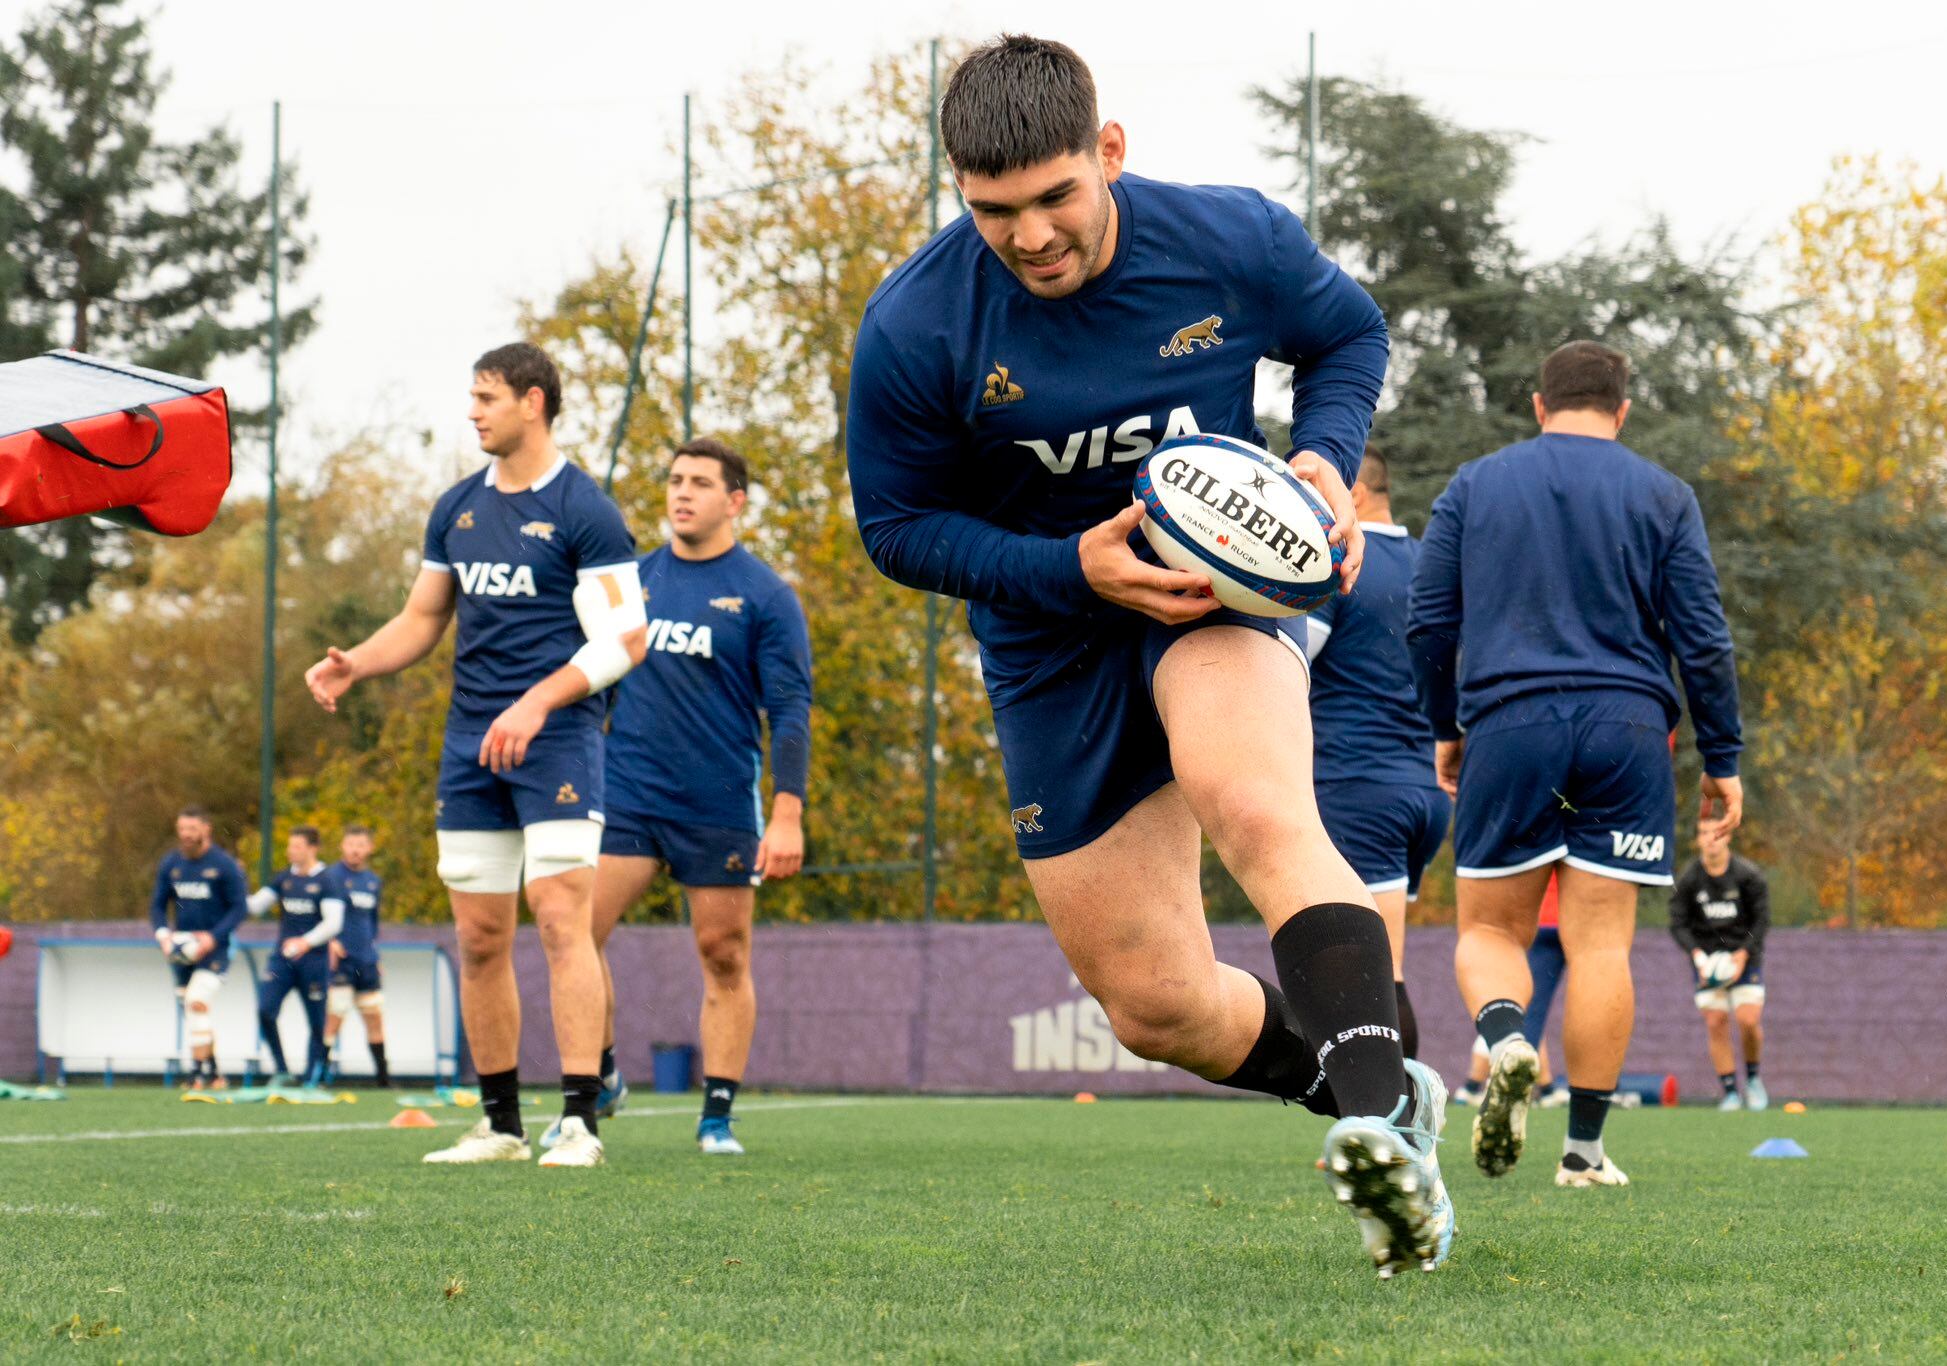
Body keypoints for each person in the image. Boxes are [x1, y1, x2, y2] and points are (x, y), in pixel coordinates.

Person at [846, 35, 1451, 1276]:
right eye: (993, 209)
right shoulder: (915, 325)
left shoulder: (1228, 239)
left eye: (1055, 196)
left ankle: (1387, 1129)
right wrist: (1073, 567)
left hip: (1217, 600)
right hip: (1045, 643)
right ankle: (1369, 1089)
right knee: (1156, 1007)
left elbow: (1348, 336)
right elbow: (895, 528)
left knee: (1253, 799)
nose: (1030, 236)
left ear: (1107, 154)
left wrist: (1325, 460)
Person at [1409, 340, 1742, 1190]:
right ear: (1622, 410)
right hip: (1629, 729)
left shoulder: (1475, 485)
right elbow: (1702, 641)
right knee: (1602, 946)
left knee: (1488, 930)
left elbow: (1428, 624)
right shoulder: (1664, 495)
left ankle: (1510, 1040)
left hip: (1509, 727)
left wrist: (1445, 725)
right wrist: (1722, 756)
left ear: (1537, 404)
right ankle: (1586, 1154)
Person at [305, 342, 646, 1168]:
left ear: (533, 402)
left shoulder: (584, 510)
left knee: (562, 921)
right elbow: (423, 620)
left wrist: (538, 700)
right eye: (472, 395)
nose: (472, 411)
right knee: (481, 937)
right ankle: (499, 1124)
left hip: (558, 738)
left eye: (487, 396)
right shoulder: (456, 507)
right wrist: (357, 661)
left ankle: (578, 1124)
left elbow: (627, 637)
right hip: (470, 747)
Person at [554, 438, 812, 1157]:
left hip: (720, 800)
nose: (682, 492)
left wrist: (786, 812)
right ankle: (597, 1079)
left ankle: (717, 1116)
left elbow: (789, 710)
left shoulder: (764, 594)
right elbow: (585, 675)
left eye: (700, 482)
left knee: (723, 954)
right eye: (674, 480)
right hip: (625, 790)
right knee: (576, 931)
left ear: (735, 501)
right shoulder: (631, 580)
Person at [1304, 443, 1448, 1061]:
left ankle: (1396, 1132)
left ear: (1354, 492)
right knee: (1377, 970)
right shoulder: (1429, 567)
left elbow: (1284, 667)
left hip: (1361, 786)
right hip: (1425, 797)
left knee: (1374, 980)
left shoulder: (1340, 565)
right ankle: (1391, 1127)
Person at [1670, 827, 1771, 1111]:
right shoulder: (1689, 880)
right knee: (1715, 1021)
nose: (1711, 840)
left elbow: (1761, 921)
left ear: (1727, 838)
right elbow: (1678, 924)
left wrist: (1742, 954)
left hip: (1745, 957)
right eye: (1704, 834)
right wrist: (1698, 956)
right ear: (1698, 839)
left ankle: (1752, 1079)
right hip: (1708, 962)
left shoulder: (1748, 876)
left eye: (1717, 834)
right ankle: (1729, 1091)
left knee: (1748, 1020)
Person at [149, 807, 249, 1090]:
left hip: (215, 948)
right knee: (193, 1010)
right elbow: (157, 904)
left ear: (206, 829)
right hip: (182, 948)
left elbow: (239, 908)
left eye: (192, 829)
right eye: (182, 829)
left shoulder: (223, 864)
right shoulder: (171, 864)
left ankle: (197, 1074)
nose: (186, 835)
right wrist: (163, 934)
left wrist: (213, 938)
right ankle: (215, 1072)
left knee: (196, 1001)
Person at [1454, 871, 1570, 1109]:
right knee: (1523, 1012)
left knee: (1519, 1011)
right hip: (1575, 918)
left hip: (1538, 921)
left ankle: (1487, 1088)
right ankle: (1590, 1095)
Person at [246, 826, 346, 1085]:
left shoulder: (327, 880)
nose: (291, 851)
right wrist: (235, 883)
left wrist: (305, 942)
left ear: (313, 848)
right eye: (290, 846)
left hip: (313, 961)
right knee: (265, 1010)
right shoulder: (284, 879)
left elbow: (333, 923)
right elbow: (255, 906)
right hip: (283, 960)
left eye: (297, 847)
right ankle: (281, 1070)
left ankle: (311, 1077)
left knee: (316, 1022)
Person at [323, 824, 391, 1088]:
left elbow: (371, 924)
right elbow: (320, 915)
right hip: (341, 960)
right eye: (351, 844)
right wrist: (329, 941)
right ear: (343, 845)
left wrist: (375, 954)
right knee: (335, 1015)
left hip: (367, 959)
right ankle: (318, 1076)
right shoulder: (331, 877)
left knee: (374, 1016)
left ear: (370, 848)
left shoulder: (372, 881)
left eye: (361, 845)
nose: (355, 850)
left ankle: (383, 1079)